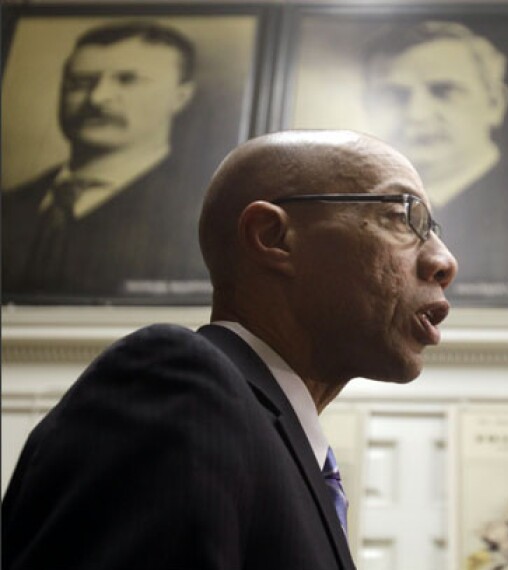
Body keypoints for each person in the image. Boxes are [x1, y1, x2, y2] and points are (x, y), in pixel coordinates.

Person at [1, 130, 459, 569]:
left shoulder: (290, 451)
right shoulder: (176, 385)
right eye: (403, 217)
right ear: (272, 236)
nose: (444, 261)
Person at [1, 20, 206, 301]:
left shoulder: (200, 213)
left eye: (127, 80)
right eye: (79, 83)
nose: (97, 98)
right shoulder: (11, 204)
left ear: (181, 97)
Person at [362, 20, 508, 298]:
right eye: (395, 95)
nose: (418, 114)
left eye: (444, 91)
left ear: (494, 103)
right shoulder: (356, 212)